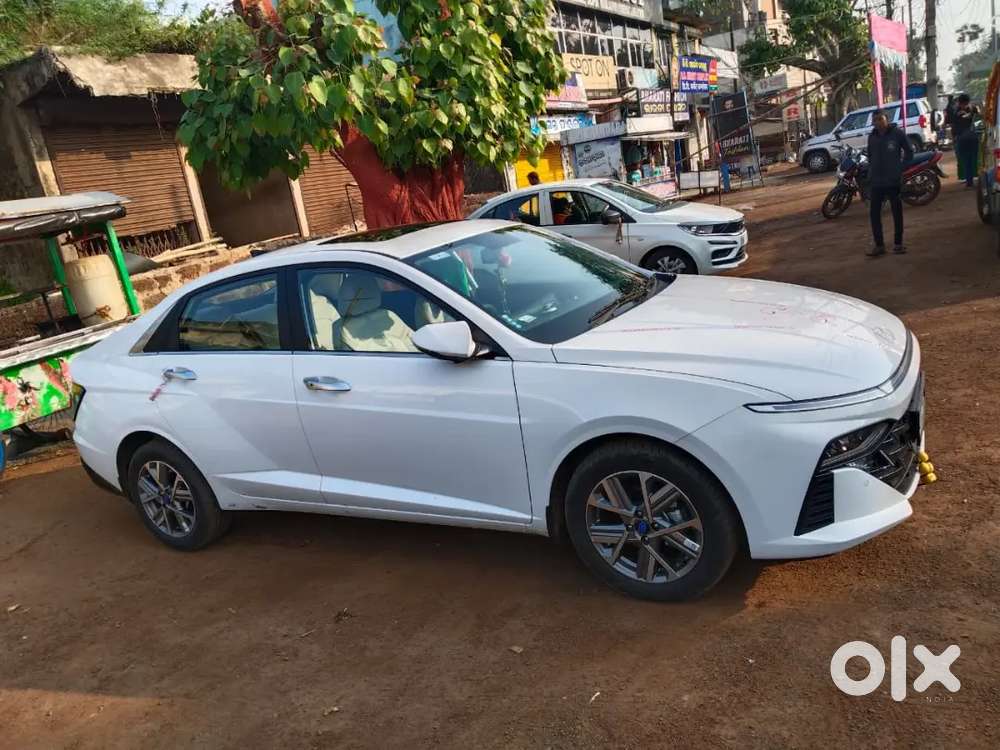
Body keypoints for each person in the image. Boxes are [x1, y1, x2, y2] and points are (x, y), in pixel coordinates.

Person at [866, 109, 913, 257]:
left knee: (896, 212)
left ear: (887, 119)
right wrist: (871, 172)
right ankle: (879, 245)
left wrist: (900, 169)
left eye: (880, 119)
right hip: (876, 182)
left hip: (893, 181)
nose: (878, 122)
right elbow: (870, 155)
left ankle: (898, 244)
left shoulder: (897, 134)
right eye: (875, 120)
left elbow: (909, 152)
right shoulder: (872, 137)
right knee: (874, 214)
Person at [952, 93, 980, 188]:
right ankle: (972, 181)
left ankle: (972, 181)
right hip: (968, 138)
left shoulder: (959, 111)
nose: (963, 105)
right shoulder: (971, 109)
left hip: (967, 139)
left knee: (970, 160)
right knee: (970, 160)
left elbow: (954, 127)